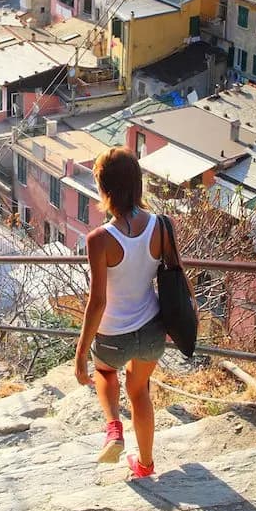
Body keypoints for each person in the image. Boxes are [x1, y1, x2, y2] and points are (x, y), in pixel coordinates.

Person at [75, 147, 166, 478]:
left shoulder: (99, 239)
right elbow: (176, 274)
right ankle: (144, 465)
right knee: (140, 390)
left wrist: (82, 351)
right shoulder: (161, 226)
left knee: (106, 372)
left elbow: (97, 301)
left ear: (104, 187)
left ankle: (114, 427)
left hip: (113, 334)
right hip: (153, 329)